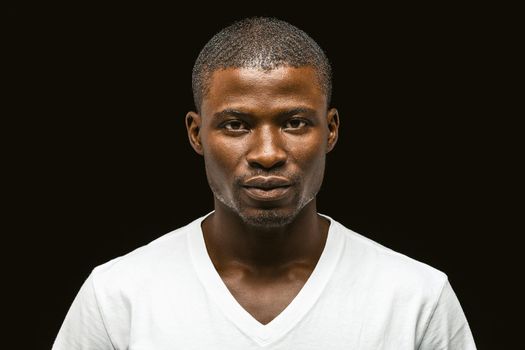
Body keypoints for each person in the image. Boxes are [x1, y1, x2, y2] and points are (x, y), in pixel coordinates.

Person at [53, 17, 476, 349]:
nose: (268, 152)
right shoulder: (117, 297)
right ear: (196, 134)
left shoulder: (415, 298)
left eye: (294, 123)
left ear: (330, 130)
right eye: (236, 125)